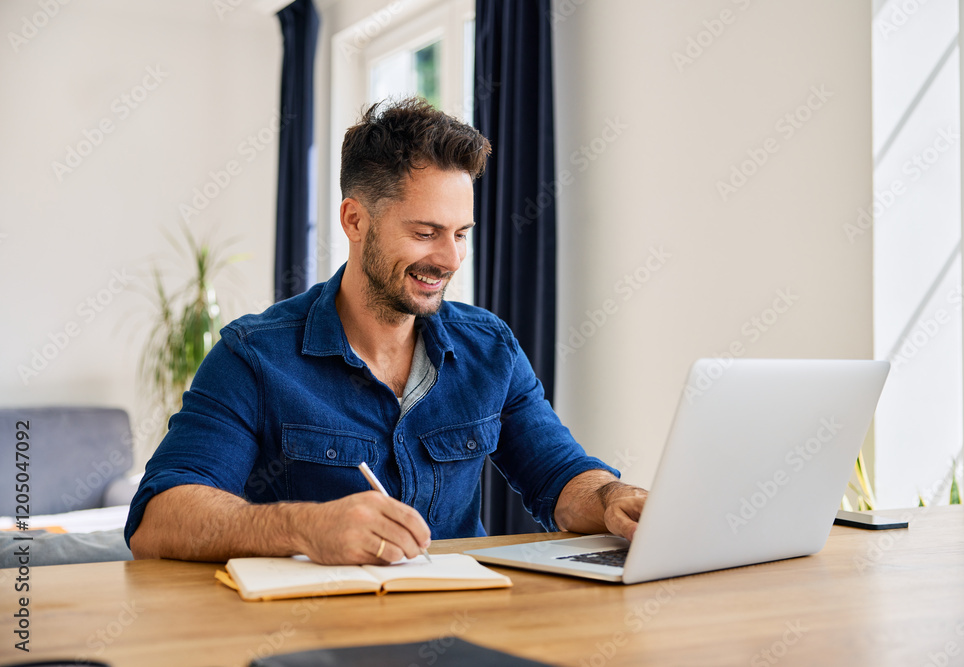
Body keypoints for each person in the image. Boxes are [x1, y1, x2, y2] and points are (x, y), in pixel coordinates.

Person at [126, 98, 646, 565]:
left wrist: (611, 499)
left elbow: (559, 478)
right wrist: (304, 528)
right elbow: (159, 517)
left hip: (462, 624)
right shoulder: (255, 356)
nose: (449, 259)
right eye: (425, 233)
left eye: (460, 234)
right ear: (355, 221)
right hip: (310, 637)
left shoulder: (491, 348)